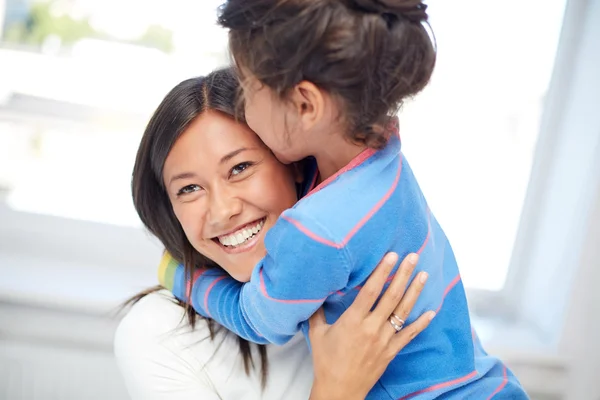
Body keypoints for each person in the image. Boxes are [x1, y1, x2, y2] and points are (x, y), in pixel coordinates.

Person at [165, 0, 529, 398]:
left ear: (305, 104)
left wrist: (182, 276)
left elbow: (257, 319)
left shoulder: (314, 231)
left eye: (249, 92)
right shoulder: (387, 152)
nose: (243, 109)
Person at [115, 69, 434, 400]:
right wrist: (337, 391)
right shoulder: (156, 330)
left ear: (292, 162)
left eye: (240, 168)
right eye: (190, 188)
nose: (223, 210)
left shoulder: (366, 269)